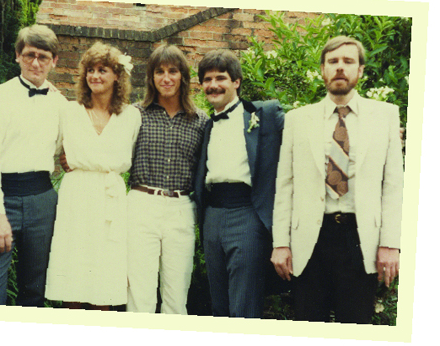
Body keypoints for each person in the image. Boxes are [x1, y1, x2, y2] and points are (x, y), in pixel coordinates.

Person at [271, 36, 403, 323]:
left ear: (361, 71)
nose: (340, 68)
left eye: (348, 61)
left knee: (355, 327)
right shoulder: (297, 119)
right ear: (322, 70)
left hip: (360, 239)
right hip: (309, 241)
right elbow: (285, 185)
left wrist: (390, 243)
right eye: (333, 62)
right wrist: (280, 242)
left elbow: (393, 185)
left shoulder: (386, 116)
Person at [0, 25, 66, 306]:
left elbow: (65, 151)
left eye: (43, 57)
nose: (35, 63)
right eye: (29, 55)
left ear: (54, 61)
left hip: (42, 201)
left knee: (35, 293)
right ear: (17, 56)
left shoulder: (63, 105)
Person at [45, 42, 140, 310]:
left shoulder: (132, 116)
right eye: (90, 70)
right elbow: (51, 144)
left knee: (105, 275)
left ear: (117, 76)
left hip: (110, 197)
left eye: (103, 70)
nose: (95, 76)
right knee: (73, 270)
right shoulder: (69, 111)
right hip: (77, 195)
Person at [193, 49, 284, 318]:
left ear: (236, 82)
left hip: (246, 213)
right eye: (207, 79)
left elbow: (307, 131)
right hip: (212, 217)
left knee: (244, 303)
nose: (213, 85)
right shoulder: (207, 125)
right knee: (219, 303)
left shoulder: (264, 114)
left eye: (221, 78)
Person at [127, 44, 209, 314]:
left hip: (180, 208)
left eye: (172, 71)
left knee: (176, 296)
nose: (166, 78)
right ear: (151, 77)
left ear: (183, 76)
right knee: (140, 293)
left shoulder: (200, 120)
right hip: (142, 203)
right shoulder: (135, 114)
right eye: (159, 72)